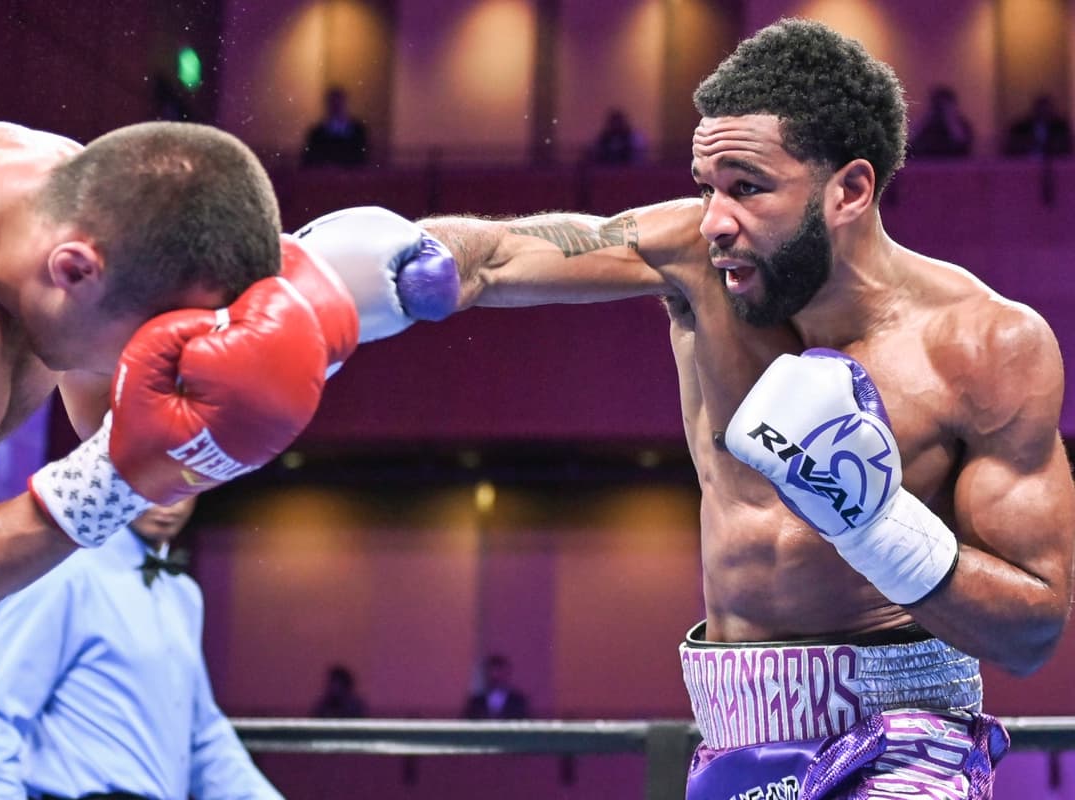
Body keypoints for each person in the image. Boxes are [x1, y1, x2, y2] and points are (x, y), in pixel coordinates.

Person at [298, 18, 1075, 799]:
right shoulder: (695, 260)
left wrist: (878, 528)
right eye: (706, 188)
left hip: (904, 735)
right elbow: (498, 258)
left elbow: (1033, 630)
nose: (714, 221)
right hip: (735, 729)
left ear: (851, 189)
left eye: (747, 188)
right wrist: (393, 267)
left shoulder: (986, 346)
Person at [0, 119, 357, 799]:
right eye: (147, 349)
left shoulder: (80, 208)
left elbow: (107, 408)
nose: (151, 372)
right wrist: (121, 477)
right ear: (74, 271)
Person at [0, 496, 282, 800]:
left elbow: (205, 739)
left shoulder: (183, 594)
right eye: (159, 483)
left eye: (184, 485)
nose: (170, 502)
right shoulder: (61, 573)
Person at [301, 86, 369, 168]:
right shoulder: (316, 132)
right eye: (333, 104)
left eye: (339, 104)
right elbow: (309, 160)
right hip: (324, 177)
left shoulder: (358, 130)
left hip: (352, 177)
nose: (337, 107)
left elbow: (363, 158)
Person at [907, 85, 973, 158]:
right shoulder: (926, 125)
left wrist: (950, 118)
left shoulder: (960, 124)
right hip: (926, 165)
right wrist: (924, 118)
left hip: (954, 165)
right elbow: (909, 142)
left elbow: (963, 144)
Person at [462, 653, 530, 720]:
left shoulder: (518, 701)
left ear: (507, 675)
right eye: (492, 674)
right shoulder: (476, 702)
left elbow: (525, 723)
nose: (495, 677)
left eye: (499, 674)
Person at [1003, 94, 1073, 157]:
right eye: (1041, 109)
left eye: (1046, 109)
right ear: (1035, 109)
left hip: (1055, 163)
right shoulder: (1021, 127)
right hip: (1025, 164)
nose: (1043, 112)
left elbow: (1065, 147)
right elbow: (1013, 147)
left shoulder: (1060, 127)